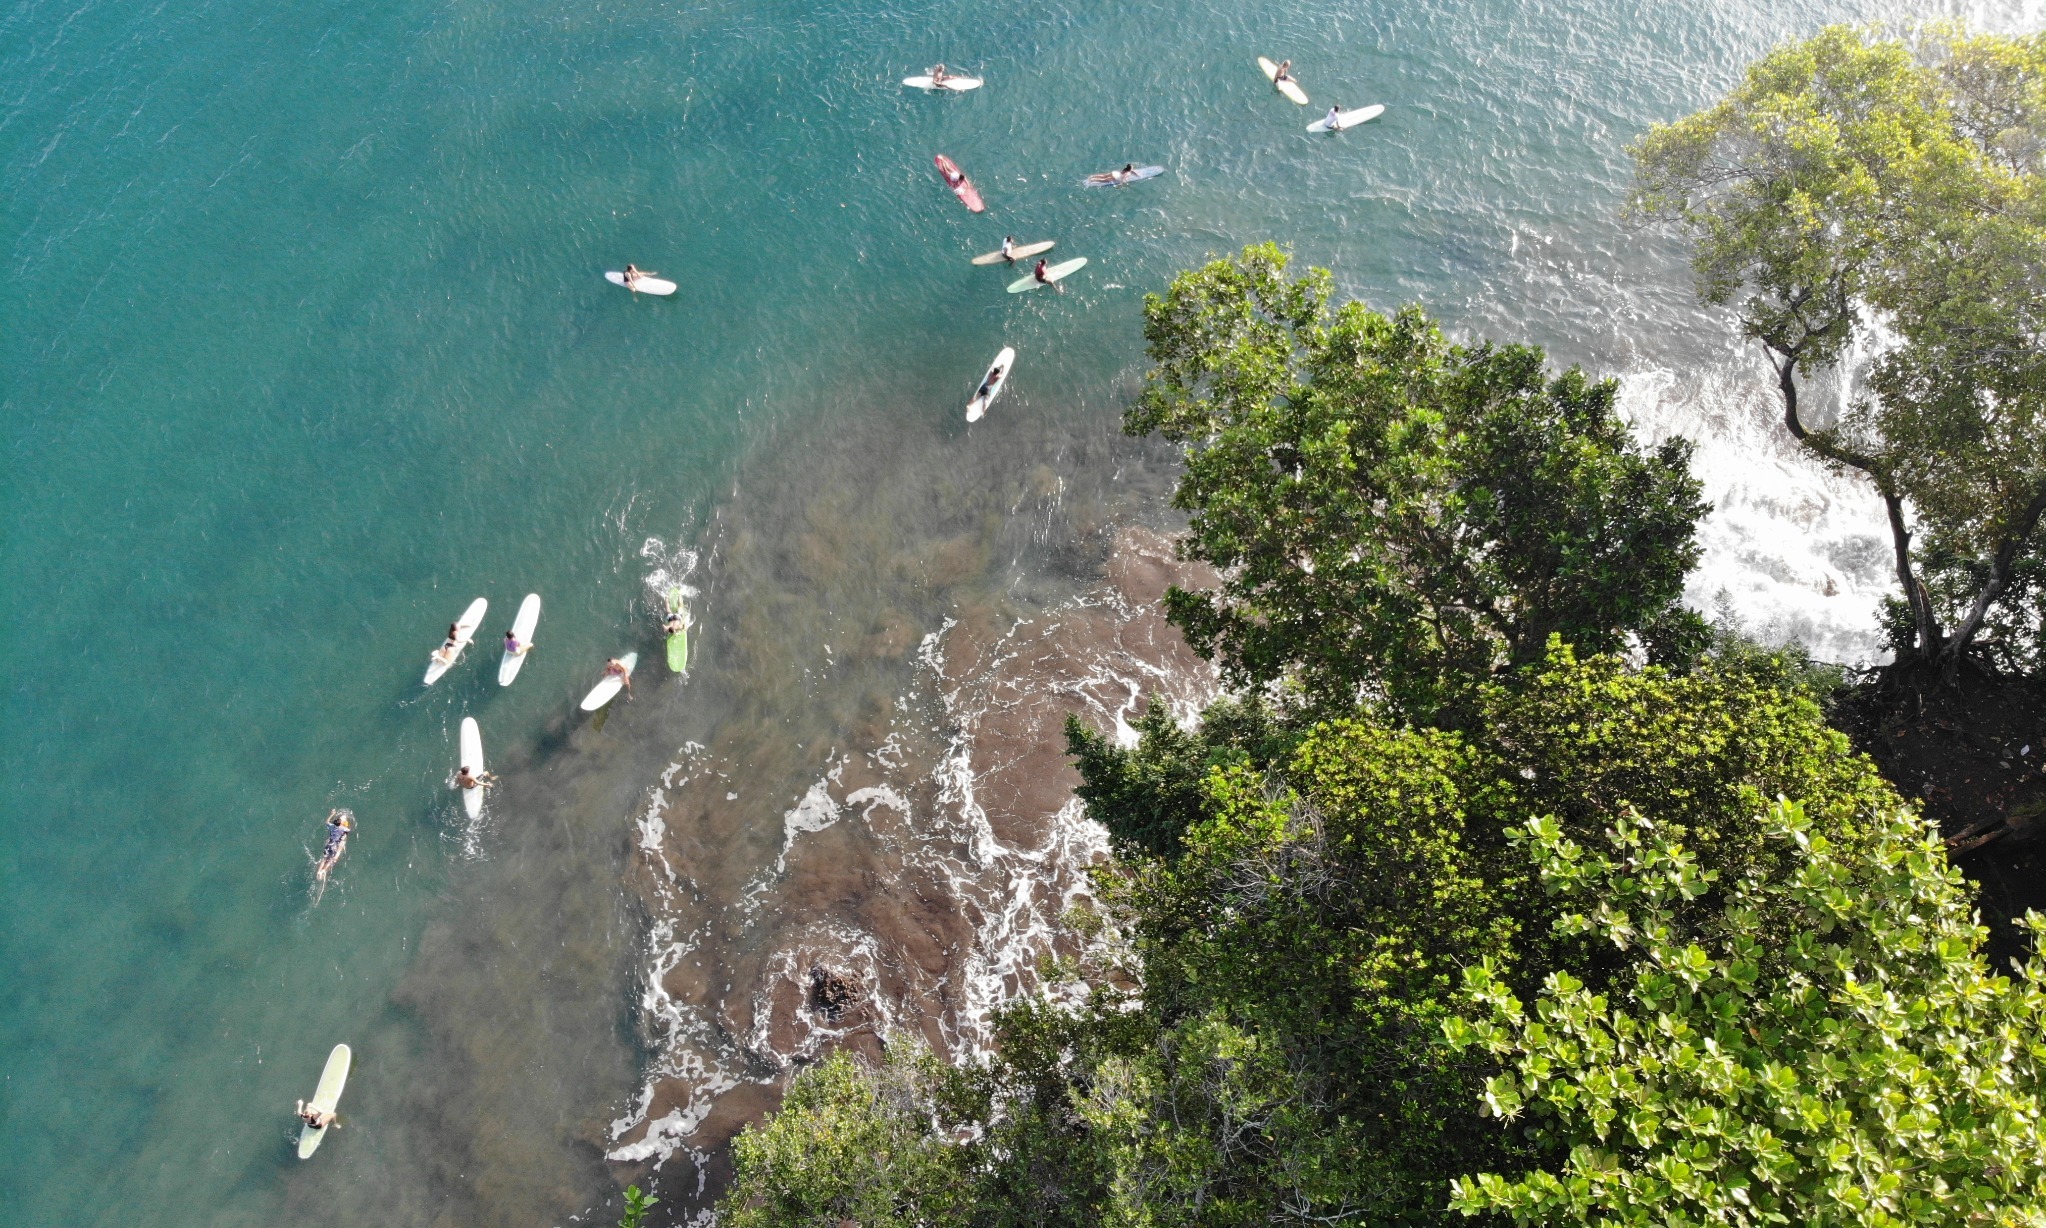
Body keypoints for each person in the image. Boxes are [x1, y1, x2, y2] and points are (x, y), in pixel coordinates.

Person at [315, 810, 353, 881]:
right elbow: (348, 830)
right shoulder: (343, 829)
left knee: (324, 859)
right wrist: (346, 825)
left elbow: (327, 822)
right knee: (331, 860)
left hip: (329, 844)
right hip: (334, 845)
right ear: (341, 823)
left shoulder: (332, 826)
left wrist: (332, 814)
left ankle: (319, 871)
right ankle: (324, 870)